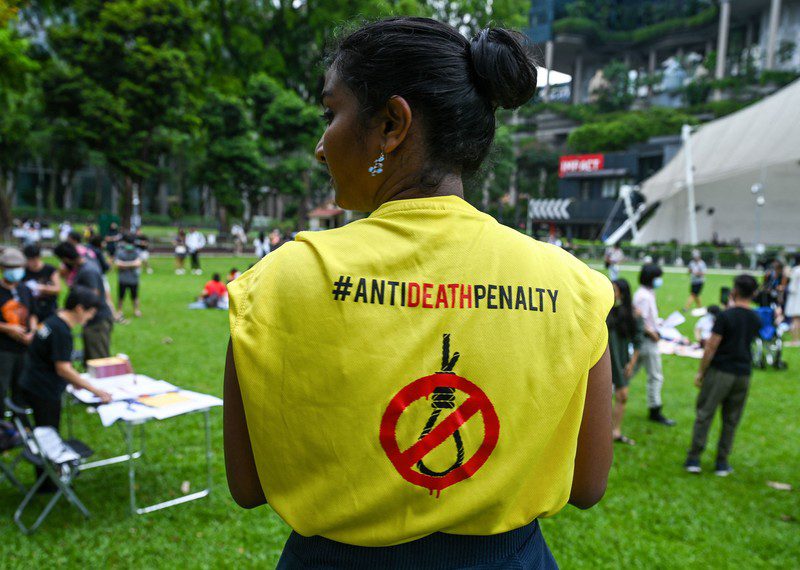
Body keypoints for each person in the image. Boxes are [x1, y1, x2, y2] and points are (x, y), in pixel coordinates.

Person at [224, 18, 613, 569]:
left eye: (330, 114)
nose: (319, 147)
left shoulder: (279, 281)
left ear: (391, 124)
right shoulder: (574, 287)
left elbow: (248, 486)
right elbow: (588, 485)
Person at [19, 287, 112, 492]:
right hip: (44, 391)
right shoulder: (62, 331)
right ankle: (47, 482)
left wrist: (75, 380)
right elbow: (63, 368)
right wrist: (96, 391)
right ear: (79, 308)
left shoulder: (52, 321)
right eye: (90, 312)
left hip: (31, 383)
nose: (91, 316)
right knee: (48, 435)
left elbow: (51, 360)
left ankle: (49, 476)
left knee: (42, 433)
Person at [685, 275, 762, 476]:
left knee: (705, 413)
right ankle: (722, 462)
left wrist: (701, 371)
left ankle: (694, 458)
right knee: (731, 419)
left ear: (734, 290)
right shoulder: (756, 318)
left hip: (721, 371)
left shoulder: (726, 316)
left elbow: (711, 346)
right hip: (743, 373)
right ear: (754, 293)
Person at [53, 242, 114, 361]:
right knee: (90, 358)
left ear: (65, 259)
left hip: (97, 321)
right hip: (92, 320)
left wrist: (69, 311)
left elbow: (93, 297)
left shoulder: (88, 271)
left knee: (98, 360)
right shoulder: (86, 264)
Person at [632, 263, 676, 426]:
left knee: (629, 372)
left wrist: (658, 324)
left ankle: (606, 393)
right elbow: (640, 320)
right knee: (655, 376)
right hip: (648, 341)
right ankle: (655, 409)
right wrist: (653, 334)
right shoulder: (644, 295)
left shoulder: (647, 293)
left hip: (647, 340)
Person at [608, 279, 643, 446]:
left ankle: (616, 431)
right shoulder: (604, 311)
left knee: (622, 396)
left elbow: (638, 340)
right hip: (606, 360)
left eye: (615, 290)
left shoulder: (632, 314)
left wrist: (632, 363)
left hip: (621, 360)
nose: (613, 293)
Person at [0, 248, 35, 417]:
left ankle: (19, 418)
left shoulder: (24, 289)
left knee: (21, 384)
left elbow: (33, 313)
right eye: (11, 267)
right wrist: (8, 328)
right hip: (4, 349)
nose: (16, 271)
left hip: (24, 347)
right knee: (2, 385)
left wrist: (32, 331)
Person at [23, 244, 62, 323]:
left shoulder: (50, 269)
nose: (34, 262)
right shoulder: (23, 271)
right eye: (31, 260)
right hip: (31, 307)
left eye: (36, 258)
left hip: (49, 307)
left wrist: (41, 288)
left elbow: (57, 289)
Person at [115, 234, 142, 318]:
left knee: (134, 296)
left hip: (134, 279)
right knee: (121, 296)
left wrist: (124, 264)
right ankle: (119, 311)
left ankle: (136, 310)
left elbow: (138, 263)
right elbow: (117, 264)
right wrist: (132, 264)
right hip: (122, 279)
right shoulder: (120, 251)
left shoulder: (137, 251)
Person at [785, 254, 800, 347]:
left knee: (795, 320)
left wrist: (788, 273)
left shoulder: (796, 270)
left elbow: (792, 287)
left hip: (796, 299)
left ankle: (795, 340)